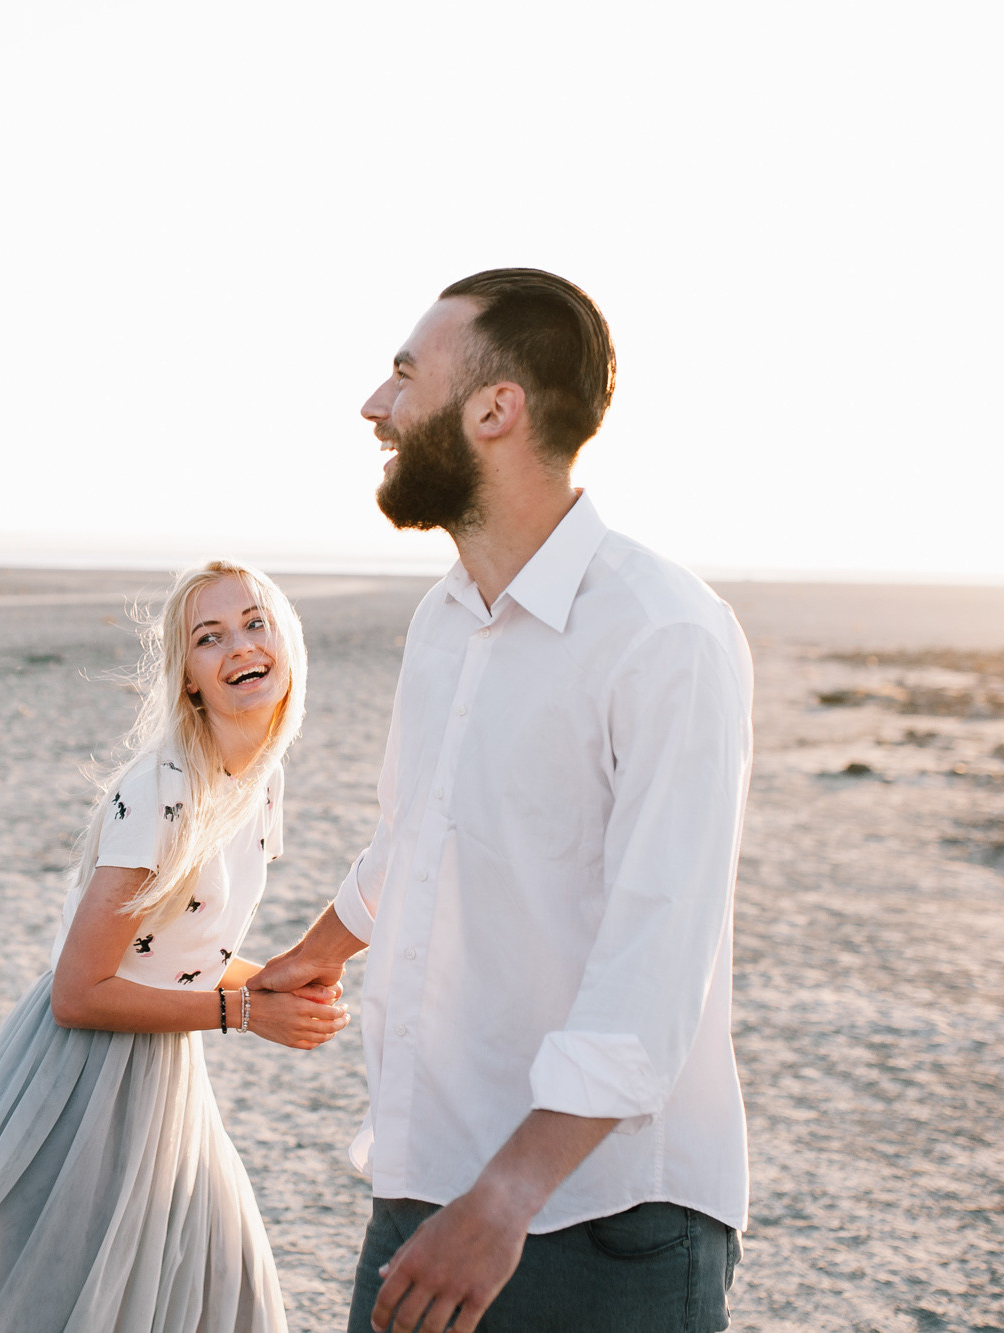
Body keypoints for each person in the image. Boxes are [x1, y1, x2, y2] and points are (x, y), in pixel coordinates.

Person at [250, 269, 753, 1333]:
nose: (372, 408)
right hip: (424, 1175)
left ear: (494, 409)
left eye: (400, 375)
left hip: (604, 1212)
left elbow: (653, 962)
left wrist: (507, 1195)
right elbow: (415, 837)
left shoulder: (663, 633)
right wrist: (319, 949)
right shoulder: (443, 621)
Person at [0, 560, 348, 1333]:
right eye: (208, 636)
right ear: (188, 678)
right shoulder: (164, 789)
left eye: (255, 622)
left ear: (286, 638)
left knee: (227, 1290)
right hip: (79, 1075)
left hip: (166, 1072)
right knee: (41, 1301)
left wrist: (278, 984)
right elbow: (80, 989)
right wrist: (246, 1014)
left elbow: (176, 949)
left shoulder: (259, 779)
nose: (239, 646)